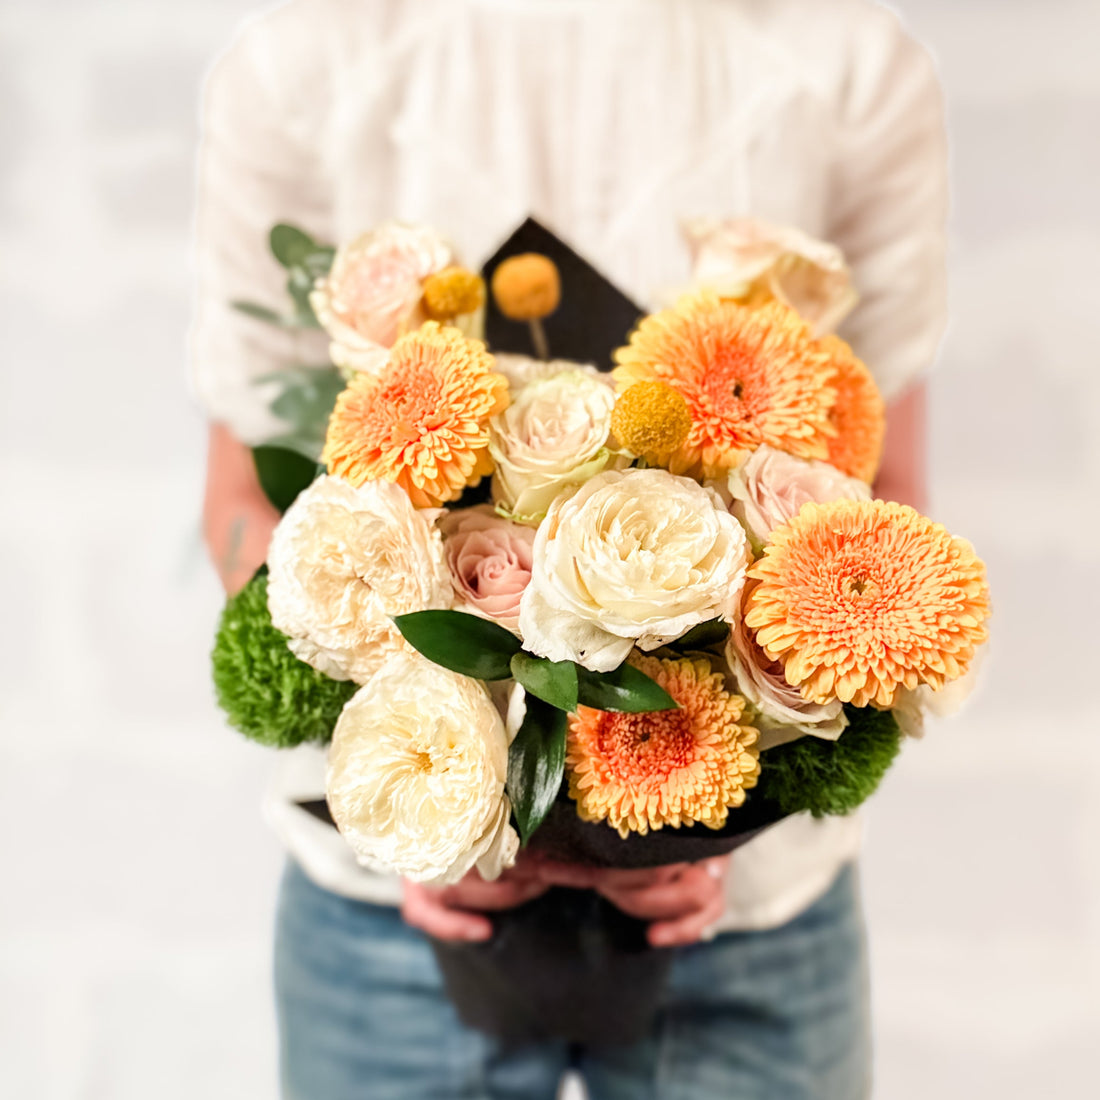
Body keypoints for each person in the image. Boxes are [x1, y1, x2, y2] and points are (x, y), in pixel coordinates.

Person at [195, 1, 946, 1096]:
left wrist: (715, 817)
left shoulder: (850, 67)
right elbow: (239, 497)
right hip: (386, 929)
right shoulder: (303, 61)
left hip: (748, 913)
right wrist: (431, 808)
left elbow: (888, 497)